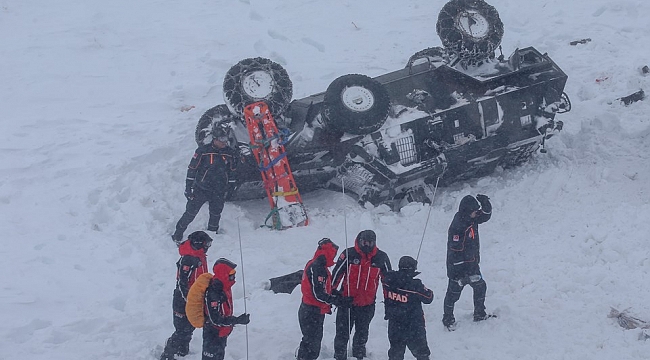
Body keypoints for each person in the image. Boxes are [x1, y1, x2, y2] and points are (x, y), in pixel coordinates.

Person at [171, 122, 241, 243]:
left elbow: (232, 171)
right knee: (190, 213)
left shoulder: (229, 153)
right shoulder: (203, 151)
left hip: (219, 190)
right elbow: (192, 169)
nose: (224, 143)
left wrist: (231, 187)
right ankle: (178, 234)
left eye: (226, 140)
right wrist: (189, 188)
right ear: (214, 139)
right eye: (221, 140)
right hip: (201, 189)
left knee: (216, 214)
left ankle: (212, 235)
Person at [331, 230, 392, 360]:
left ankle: (359, 355)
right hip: (346, 303)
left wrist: (390, 303)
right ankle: (339, 356)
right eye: (364, 242)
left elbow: (388, 283)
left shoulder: (381, 258)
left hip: (367, 305)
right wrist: (332, 297)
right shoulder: (349, 254)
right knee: (342, 334)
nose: (367, 245)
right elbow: (335, 277)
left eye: (370, 243)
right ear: (359, 240)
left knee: (362, 334)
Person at [442, 194, 493, 330]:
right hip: (458, 269)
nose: (477, 213)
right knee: (453, 295)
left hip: (472, 265)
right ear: (467, 211)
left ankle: (479, 313)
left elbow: (486, 215)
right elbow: (455, 252)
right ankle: (448, 319)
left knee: (480, 287)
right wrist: (462, 275)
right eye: (475, 211)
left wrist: (485, 203)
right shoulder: (458, 227)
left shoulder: (472, 219)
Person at [160, 231, 213, 360]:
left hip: (194, 297)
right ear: (199, 244)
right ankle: (168, 352)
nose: (208, 246)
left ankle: (182, 350)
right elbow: (182, 283)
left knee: (190, 326)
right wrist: (189, 300)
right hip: (183, 299)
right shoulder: (189, 259)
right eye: (207, 244)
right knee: (182, 329)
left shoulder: (200, 256)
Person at [297, 238, 352, 360]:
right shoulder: (318, 268)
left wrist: (337, 295)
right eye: (333, 254)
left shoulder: (316, 264)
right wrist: (337, 301)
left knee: (310, 341)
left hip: (312, 310)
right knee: (312, 345)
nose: (334, 258)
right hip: (311, 311)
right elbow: (319, 294)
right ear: (328, 253)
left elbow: (324, 289)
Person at [383, 256, 433, 360]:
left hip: (395, 325)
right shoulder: (415, 285)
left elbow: (390, 280)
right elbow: (429, 297)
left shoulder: (389, 280)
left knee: (395, 354)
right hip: (414, 326)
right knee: (422, 354)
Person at [202, 258, 250, 360]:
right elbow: (215, 319)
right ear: (223, 274)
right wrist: (236, 320)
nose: (233, 276)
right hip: (213, 334)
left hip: (221, 333)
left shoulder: (224, 287)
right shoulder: (214, 292)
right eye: (231, 273)